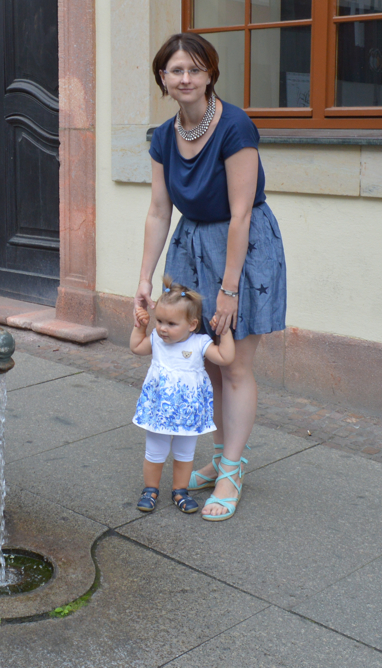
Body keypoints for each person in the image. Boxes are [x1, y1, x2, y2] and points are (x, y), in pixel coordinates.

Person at [135, 32, 288, 522]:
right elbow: (159, 210)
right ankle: (222, 456)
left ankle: (232, 471)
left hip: (241, 251)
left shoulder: (235, 126)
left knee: (235, 364)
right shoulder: (163, 136)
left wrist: (229, 290)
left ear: (209, 75)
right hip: (190, 247)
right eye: (176, 70)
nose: (185, 78)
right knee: (207, 363)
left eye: (195, 69)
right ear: (163, 77)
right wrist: (145, 278)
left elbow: (241, 214)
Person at [129, 279, 236, 515]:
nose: (162, 328)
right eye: (159, 321)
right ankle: (150, 490)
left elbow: (225, 357)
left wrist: (224, 332)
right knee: (155, 451)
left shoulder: (200, 343)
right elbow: (136, 347)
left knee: (185, 454)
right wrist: (140, 327)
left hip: (188, 413)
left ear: (192, 324)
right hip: (159, 411)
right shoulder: (156, 340)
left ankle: (180, 490)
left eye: (171, 323)